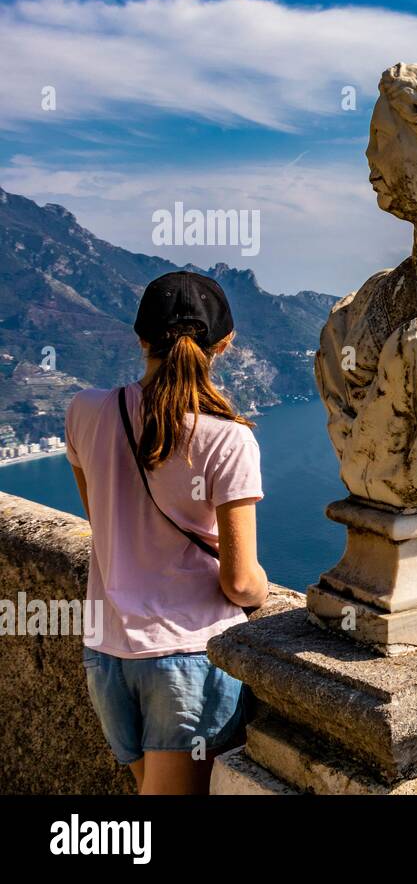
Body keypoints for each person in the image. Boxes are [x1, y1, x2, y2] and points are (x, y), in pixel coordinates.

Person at [65, 271, 268, 794]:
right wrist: (263, 589)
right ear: (224, 344)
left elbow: (103, 518)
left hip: (107, 652)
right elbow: (241, 584)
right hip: (185, 658)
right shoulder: (229, 439)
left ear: (140, 338)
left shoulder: (84, 411)